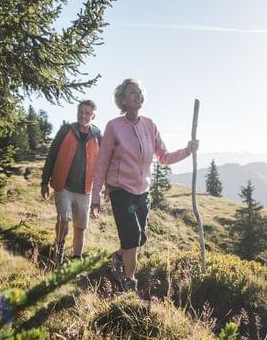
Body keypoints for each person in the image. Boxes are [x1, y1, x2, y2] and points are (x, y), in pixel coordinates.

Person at [91, 78, 198, 291]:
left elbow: (164, 157)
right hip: (120, 189)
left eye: (140, 91)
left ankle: (118, 257)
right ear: (122, 100)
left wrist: (187, 151)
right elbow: (102, 163)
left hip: (143, 192)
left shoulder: (150, 125)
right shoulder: (114, 126)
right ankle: (130, 282)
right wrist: (95, 197)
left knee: (139, 238)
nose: (138, 95)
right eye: (132, 92)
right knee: (131, 235)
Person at [41, 100, 101, 265]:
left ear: (93, 115)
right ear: (77, 112)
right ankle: (58, 253)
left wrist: (102, 191)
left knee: (80, 227)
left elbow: (102, 165)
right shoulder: (66, 130)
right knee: (63, 218)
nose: (83, 115)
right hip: (63, 185)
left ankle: (76, 260)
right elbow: (52, 155)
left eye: (87, 113)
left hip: (85, 189)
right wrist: (44, 182)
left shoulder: (98, 135)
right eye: (81, 111)